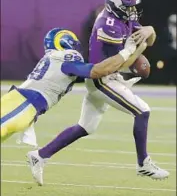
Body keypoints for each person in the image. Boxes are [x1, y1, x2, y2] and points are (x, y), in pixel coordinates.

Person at [27, 0, 169, 185]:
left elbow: (150, 40)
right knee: (142, 111)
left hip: (108, 75)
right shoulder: (108, 24)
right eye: (129, 7)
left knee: (86, 127)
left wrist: (149, 30)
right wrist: (137, 50)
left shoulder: (123, 16)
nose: (133, 11)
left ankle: (39, 155)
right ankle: (143, 164)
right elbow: (123, 62)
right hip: (102, 78)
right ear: (117, 6)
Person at [1, 26, 140, 144]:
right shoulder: (65, 57)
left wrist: (117, 77)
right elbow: (97, 71)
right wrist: (126, 52)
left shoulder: (54, 59)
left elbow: (101, 72)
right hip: (24, 104)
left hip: (20, 102)